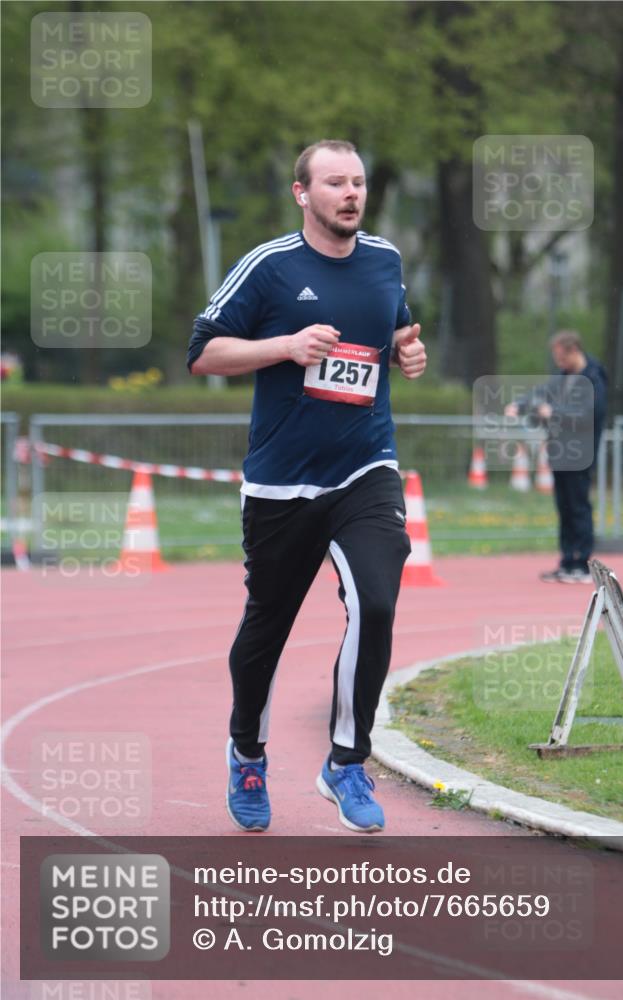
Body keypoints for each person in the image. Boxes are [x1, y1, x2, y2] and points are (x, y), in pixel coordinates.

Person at [187, 139, 426, 833]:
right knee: (267, 625)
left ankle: (347, 762)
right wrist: (283, 347)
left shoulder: (384, 259)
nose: (349, 194)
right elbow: (202, 352)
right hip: (281, 484)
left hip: (364, 468)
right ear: (302, 194)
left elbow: (395, 333)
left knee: (376, 603)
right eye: (333, 183)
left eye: (356, 183)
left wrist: (407, 351)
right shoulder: (268, 268)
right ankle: (247, 753)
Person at [505, 330, 607, 583]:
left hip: (581, 452)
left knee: (578, 506)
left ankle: (583, 564)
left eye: (562, 358)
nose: (559, 364)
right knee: (564, 507)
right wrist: (519, 404)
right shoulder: (563, 378)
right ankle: (567, 562)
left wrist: (555, 412)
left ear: (574, 350)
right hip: (559, 451)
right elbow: (541, 393)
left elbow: (589, 413)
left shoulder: (594, 376)